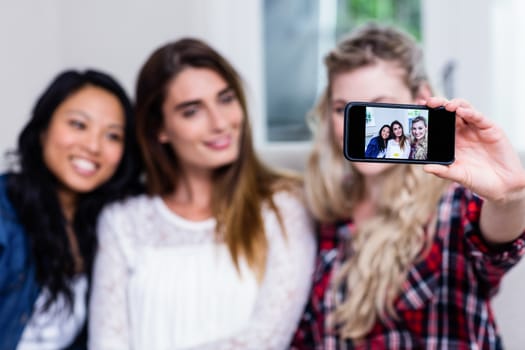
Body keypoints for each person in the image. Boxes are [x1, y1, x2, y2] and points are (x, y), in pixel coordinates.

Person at [292, 23, 525, 349]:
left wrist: (510, 197)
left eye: (379, 105)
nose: (358, 125)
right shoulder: (322, 212)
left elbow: (496, 244)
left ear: (421, 100)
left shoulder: (454, 204)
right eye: (343, 109)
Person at [88, 38, 316, 349]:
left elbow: (265, 339)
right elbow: (107, 342)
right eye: (192, 111)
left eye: (226, 99)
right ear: (160, 129)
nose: (220, 123)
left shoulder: (283, 206)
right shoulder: (123, 221)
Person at [0, 70, 143, 350]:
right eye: (78, 125)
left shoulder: (108, 224)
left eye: (112, 136)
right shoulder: (4, 213)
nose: (93, 146)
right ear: (43, 130)